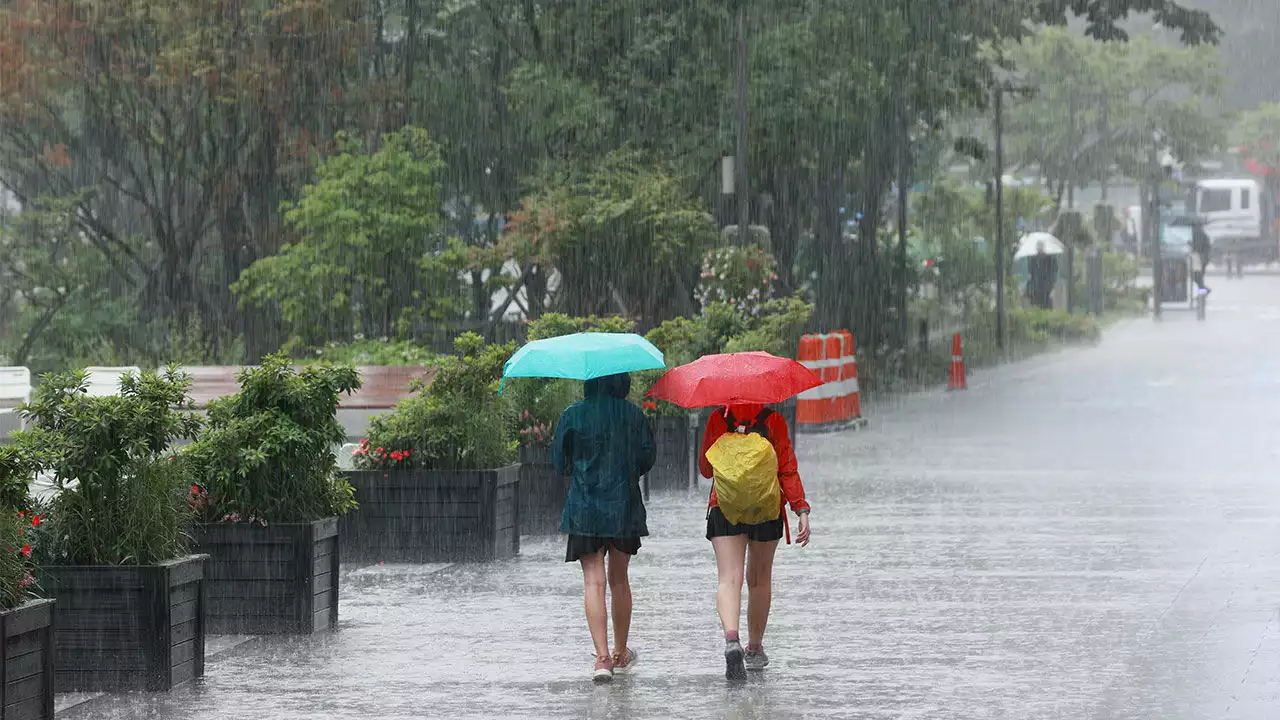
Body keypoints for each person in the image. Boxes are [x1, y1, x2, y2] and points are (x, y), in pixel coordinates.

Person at [553, 373, 655, 683]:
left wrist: (583, 467)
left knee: (593, 583)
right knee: (619, 579)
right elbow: (647, 458)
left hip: (585, 507)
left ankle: (601, 658)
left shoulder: (572, 415)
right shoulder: (633, 414)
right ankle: (621, 651)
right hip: (623, 505)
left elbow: (560, 463)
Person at [699, 404, 810, 680]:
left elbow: (705, 469)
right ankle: (755, 648)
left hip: (725, 507)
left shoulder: (718, 418)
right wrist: (801, 508)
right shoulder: (773, 420)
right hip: (766, 508)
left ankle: (731, 640)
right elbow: (786, 468)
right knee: (759, 580)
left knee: (729, 579)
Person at [1026, 241, 1058, 310]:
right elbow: (1030, 273)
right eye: (1037, 246)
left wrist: (1053, 288)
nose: (1038, 248)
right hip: (1036, 288)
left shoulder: (1051, 258)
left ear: (1043, 247)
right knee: (1036, 308)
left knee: (1046, 307)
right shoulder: (1032, 258)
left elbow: (1054, 273)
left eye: (1040, 246)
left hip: (1046, 288)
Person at [1191, 224, 1212, 295]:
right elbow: (1207, 246)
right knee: (1198, 277)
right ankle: (1202, 292)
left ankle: (1202, 292)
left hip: (1197, 258)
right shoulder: (1203, 234)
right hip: (1202, 258)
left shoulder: (1194, 233)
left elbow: (1196, 246)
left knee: (1197, 277)